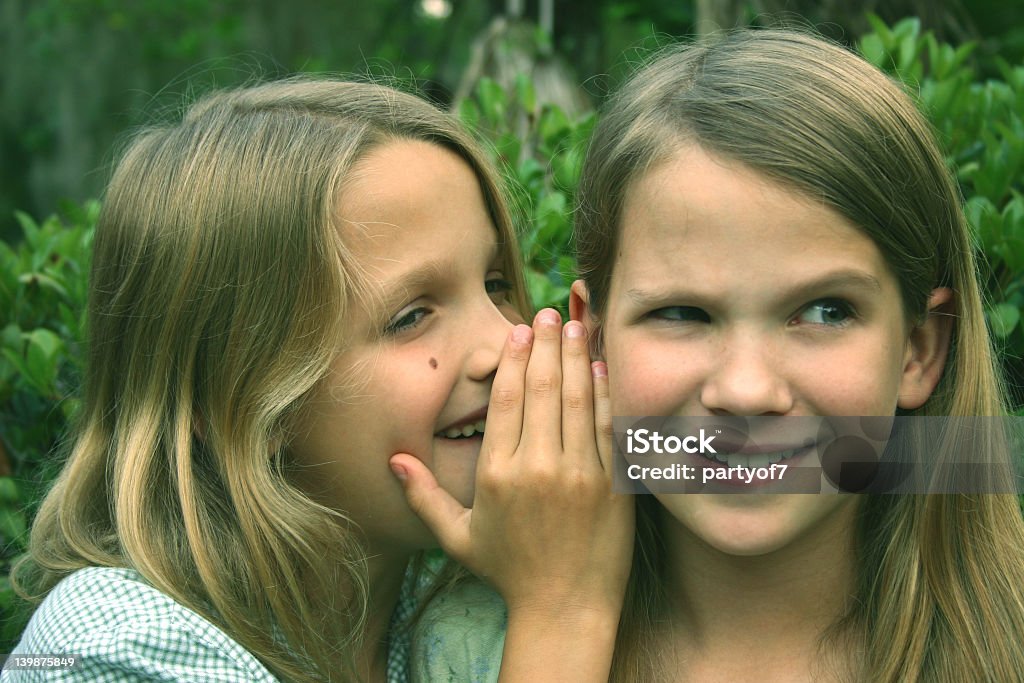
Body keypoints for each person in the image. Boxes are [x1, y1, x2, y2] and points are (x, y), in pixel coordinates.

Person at [408, 28, 1024, 682]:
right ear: (594, 339)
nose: (747, 389)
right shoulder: (469, 649)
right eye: (681, 313)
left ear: (918, 351)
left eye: (825, 310)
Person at [4, 79, 631, 682]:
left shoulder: (430, 598)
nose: (505, 341)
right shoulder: (113, 650)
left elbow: (722, 455)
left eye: (495, 283)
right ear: (239, 401)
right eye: (411, 316)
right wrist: (561, 607)